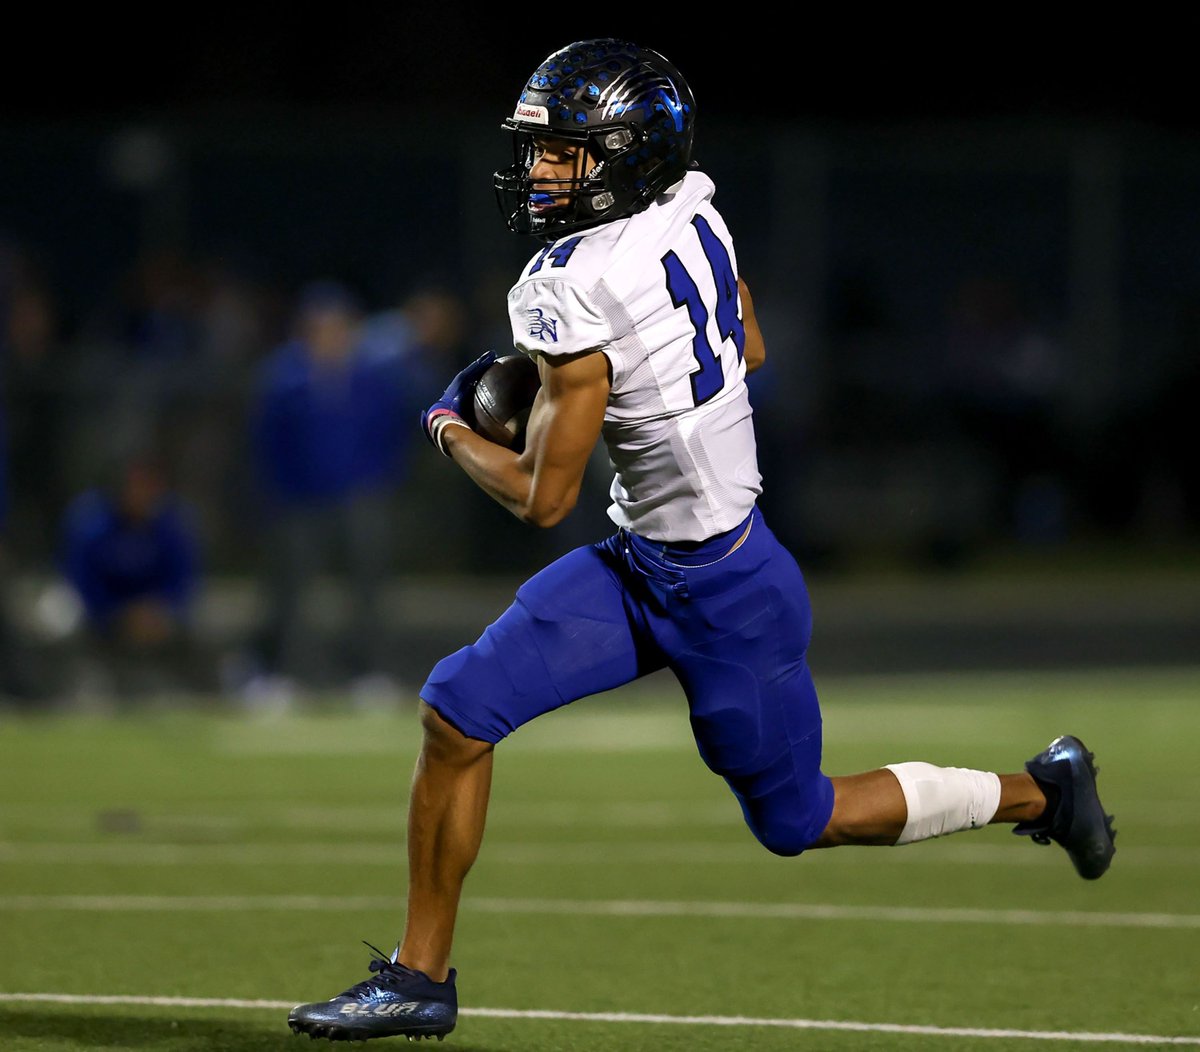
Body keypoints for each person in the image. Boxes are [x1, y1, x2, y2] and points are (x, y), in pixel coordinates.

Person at [287, 39, 1117, 1043]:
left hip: (728, 590)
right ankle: (421, 977)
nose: (543, 171)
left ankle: (1042, 789)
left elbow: (542, 499)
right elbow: (751, 343)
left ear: (628, 154)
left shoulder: (571, 280)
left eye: (566, 153)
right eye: (542, 151)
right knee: (458, 709)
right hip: (640, 566)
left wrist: (448, 422)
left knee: (799, 818)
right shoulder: (690, 206)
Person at [58, 452, 208, 703]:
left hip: (156, 616)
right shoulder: (91, 521)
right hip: (104, 614)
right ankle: (75, 691)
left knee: (200, 629)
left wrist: (158, 610)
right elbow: (81, 581)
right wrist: (120, 614)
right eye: (138, 485)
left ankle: (196, 695)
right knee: (65, 622)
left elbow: (183, 580)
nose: (144, 494)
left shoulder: (173, 523)